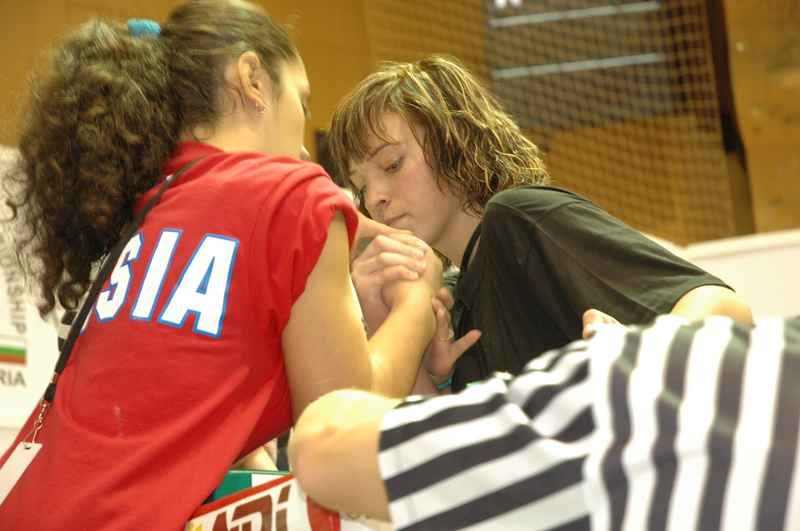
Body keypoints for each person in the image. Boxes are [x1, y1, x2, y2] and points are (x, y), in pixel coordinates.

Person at [0, 2, 443, 528]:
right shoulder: (292, 193)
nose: (304, 143)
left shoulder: (149, 208)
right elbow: (343, 433)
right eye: (300, 100)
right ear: (252, 79)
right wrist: (414, 304)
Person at [328, 56, 753, 392]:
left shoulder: (516, 219)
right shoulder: (456, 300)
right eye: (360, 186)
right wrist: (396, 327)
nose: (375, 198)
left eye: (392, 164)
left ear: (452, 141)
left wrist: (641, 354)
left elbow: (724, 309)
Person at [289, 314, 800, 530]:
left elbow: (326, 440)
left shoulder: (659, 378)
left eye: (394, 165)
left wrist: (412, 308)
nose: (376, 196)